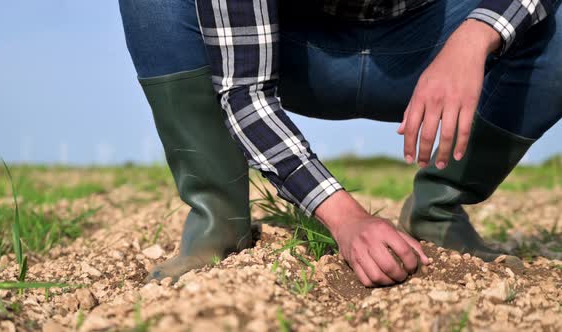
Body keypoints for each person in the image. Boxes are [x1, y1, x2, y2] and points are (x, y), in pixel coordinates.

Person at [118, 0, 561, 287]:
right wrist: (345, 218)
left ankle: (439, 208)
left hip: (434, 41)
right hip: (296, 54)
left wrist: (476, 37)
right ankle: (220, 222)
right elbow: (245, 94)